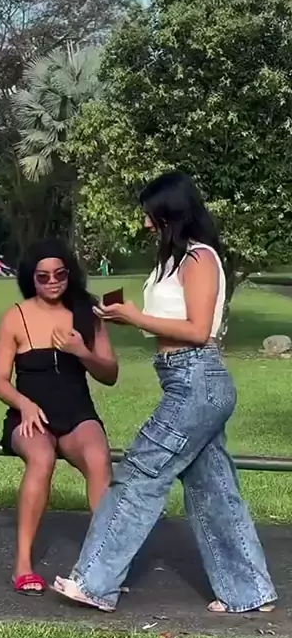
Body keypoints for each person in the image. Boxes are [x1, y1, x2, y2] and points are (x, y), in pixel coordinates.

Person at [53, 171, 277, 614]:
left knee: (140, 474)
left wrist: (135, 318)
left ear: (171, 212)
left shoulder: (200, 258)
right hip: (184, 379)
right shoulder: (174, 261)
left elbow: (197, 330)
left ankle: (94, 582)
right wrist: (124, 316)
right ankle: (249, 593)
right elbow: (170, 324)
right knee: (213, 489)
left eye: (151, 215)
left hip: (197, 380)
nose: (145, 223)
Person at [0, 236, 118, 596]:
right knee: (42, 458)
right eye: (43, 276)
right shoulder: (15, 317)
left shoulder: (86, 312)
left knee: (98, 457)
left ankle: (101, 568)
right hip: (30, 416)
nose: (52, 282)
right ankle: (23, 564)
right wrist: (24, 405)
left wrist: (82, 351)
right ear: (31, 277)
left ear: (69, 274)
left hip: (77, 413)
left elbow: (110, 373)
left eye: (59, 274)